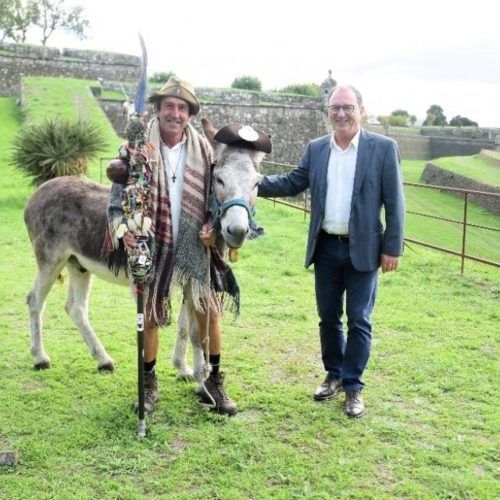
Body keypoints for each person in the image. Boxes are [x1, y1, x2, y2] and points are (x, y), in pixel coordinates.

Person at [258, 84, 405, 418]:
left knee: (359, 320)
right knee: (328, 318)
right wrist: (251, 182)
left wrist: (392, 247)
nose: (341, 113)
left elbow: (395, 202)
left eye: (347, 107)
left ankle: (353, 386)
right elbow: (293, 182)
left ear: (361, 110)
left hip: (365, 249)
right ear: (328, 112)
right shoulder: (316, 148)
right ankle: (334, 374)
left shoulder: (382, 148)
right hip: (325, 247)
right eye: (335, 107)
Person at [107, 76, 237, 415]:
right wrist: (125, 230)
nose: (175, 113)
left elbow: (216, 198)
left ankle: (213, 382)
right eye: (169, 106)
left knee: (209, 311)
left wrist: (213, 225)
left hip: (195, 242)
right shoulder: (136, 147)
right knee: (150, 314)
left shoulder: (205, 150)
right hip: (153, 241)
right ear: (158, 109)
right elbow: (117, 198)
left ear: (190, 114)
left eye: (182, 108)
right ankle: (148, 385)